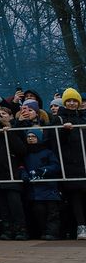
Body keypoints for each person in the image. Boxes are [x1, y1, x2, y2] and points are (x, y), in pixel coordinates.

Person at [55, 88, 86, 239]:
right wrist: (65, 131)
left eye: (75, 101)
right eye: (69, 101)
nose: (72, 103)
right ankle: (81, 226)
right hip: (70, 163)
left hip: (83, 160)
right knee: (75, 197)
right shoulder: (59, 119)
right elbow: (56, 142)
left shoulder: (83, 117)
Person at [22, 128, 62, 240]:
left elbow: (55, 166)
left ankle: (53, 232)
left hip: (49, 187)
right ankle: (44, 231)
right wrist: (24, 174)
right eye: (28, 136)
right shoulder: (26, 154)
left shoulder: (48, 152)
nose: (30, 138)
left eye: (33, 136)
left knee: (52, 212)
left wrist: (44, 170)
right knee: (39, 212)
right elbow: (22, 167)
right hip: (35, 189)